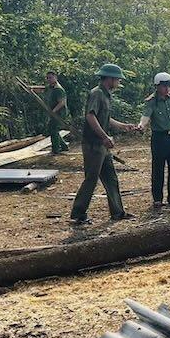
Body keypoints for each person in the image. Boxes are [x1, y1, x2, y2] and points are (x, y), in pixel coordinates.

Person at [70, 64, 137, 225]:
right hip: (93, 144)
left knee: (111, 178)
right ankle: (78, 214)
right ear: (110, 78)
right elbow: (90, 116)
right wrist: (105, 136)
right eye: (118, 79)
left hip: (102, 146)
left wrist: (123, 126)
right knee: (91, 179)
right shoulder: (97, 93)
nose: (119, 82)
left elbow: (105, 118)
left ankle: (118, 212)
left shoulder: (106, 95)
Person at [137, 72, 170, 209]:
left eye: (169, 85)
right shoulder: (151, 101)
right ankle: (157, 199)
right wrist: (141, 126)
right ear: (157, 86)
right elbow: (146, 116)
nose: (167, 89)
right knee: (158, 169)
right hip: (159, 138)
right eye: (164, 86)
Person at [30, 71, 69, 155]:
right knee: (53, 129)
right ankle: (64, 146)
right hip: (53, 112)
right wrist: (32, 88)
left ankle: (55, 150)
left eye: (50, 77)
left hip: (59, 113)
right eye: (47, 78)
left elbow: (62, 103)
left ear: (55, 77)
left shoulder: (58, 89)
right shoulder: (51, 87)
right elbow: (43, 89)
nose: (49, 79)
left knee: (53, 129)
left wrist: (53, 111)